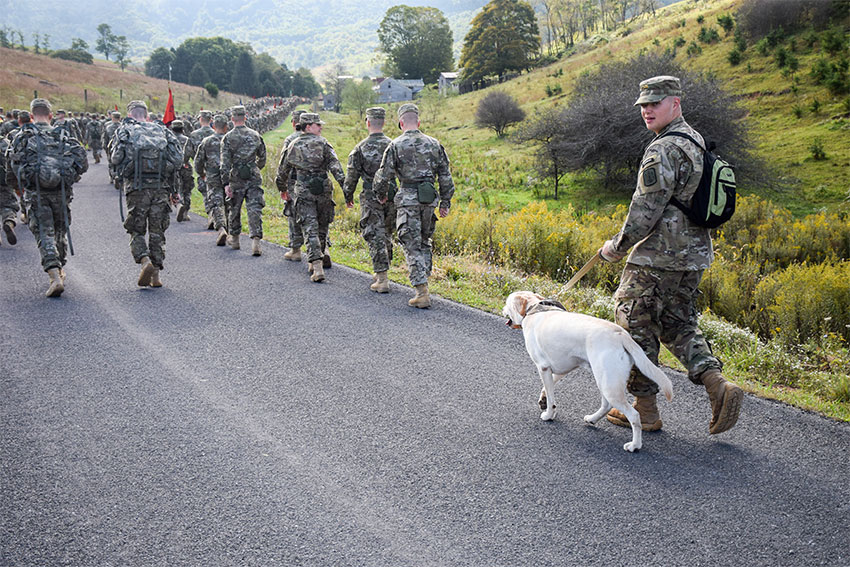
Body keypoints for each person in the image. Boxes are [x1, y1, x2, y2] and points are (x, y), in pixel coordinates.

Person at [599, 75, 743, 435]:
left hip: (657, 258)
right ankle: (717, 385)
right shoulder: (696, 141)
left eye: (655, 103)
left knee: (632, 325)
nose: (647, 110)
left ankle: (644, 409)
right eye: (643, 105)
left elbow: (645, 208)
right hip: (694, 257)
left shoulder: (662, 149)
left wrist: (616, 247)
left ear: (675, 103)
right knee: (679, 324)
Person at [374, 103, 454, 308]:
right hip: (429, 201)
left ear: (401, 123)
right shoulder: (434, 144)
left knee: (410, 243)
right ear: (418, 122)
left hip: (408, 200)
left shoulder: (395, 145)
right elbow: (445, 176)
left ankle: (421, 291)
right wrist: (445, 202)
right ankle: (423, 279)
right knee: (424, 240)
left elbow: (384, 175)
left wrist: (381, 195)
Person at [5, 98, 88, 296]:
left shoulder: (21, 137)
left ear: (31, 116)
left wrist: (18, 188)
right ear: (51, 116)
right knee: (60, 230)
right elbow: (82, 163)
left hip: (36, 193)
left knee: (44, 231)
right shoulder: (64, 136)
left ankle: (54, 274)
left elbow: (11, 166)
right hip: (61, 191)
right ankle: (60, 266)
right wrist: (70, 178)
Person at [111, 100, 182, 288]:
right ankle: (156, 275)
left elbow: (115, 157)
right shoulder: (162, 130)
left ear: (130, 113)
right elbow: (177, 160)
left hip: (136, 187)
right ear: (146, 114)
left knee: (136, 228)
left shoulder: (124, 130)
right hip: (160, 187)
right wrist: (171, 185)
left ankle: (144, 260)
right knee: (157, 230)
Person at [276, 112, 344, 282]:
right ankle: (319, 257)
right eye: (317, 125)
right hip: (323, 189)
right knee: (322, 227)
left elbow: (282, 171)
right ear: (308, 127)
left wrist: (282, 188)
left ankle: (317, 266)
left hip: (304, 190)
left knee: (310, 228)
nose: (321, 127)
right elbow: (337, 169)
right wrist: (346, 190)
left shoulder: (293, 144)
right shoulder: (324, 144)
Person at [343, 106, 397, 293]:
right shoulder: (395, 145)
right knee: (388, 233)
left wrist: (347, 195)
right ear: (383, 122)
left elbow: (351, 177)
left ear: (367, 122)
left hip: (370, 196)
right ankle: (385, 268)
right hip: (392, 194)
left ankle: (381, 278)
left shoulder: (360, 148)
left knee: (375, 234)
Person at [220, 105, 267, 256]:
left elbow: (225, 163)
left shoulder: (228, 138)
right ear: (245, 117)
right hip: (253, 175)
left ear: (232, 119)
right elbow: (263, 157)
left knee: (234, 208)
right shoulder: (255, 135)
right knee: (254, 208)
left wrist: (226, 182)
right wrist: (254, 167)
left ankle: (234, 239)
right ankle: (256, 242)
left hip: (236, 176)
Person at [274, 109, 306, 261]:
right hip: (314, 183)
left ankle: (295, 249)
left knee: (293, 215)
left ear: (294, 123)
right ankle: (323, 249)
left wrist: (282, 187)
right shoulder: (318, 139)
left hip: (294, 182)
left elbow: (283, 165)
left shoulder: (290, 140)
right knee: (315, 218)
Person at [194, 114, 229, 246]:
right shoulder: (229, 140)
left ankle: (221, 228)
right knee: (228, 204)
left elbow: (198, 161)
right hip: (228, 176)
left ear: (213, 126)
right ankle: (230, 231)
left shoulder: (207, 141)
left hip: (212, 176)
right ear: (226, 127)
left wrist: (202, 173)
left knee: (216, 202)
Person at [186, 110, 215, 229]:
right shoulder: (216, 133)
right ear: (211, 120)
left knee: (205, 192)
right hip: (215, 167)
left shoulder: (194, 135)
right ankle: (215, 213)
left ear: (200, 120)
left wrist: (185, 162)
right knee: (216, 192)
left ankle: (210, 214)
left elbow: (187, 151)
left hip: (201, 167)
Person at [170, 120, 194, 222]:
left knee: (173, 188)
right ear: (182, 129)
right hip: (185, 167)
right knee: (187, 189)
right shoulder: (187, 139)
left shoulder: (169, 139)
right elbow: (192, 155)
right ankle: (185, 212)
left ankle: (178, 203)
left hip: (173, 168)